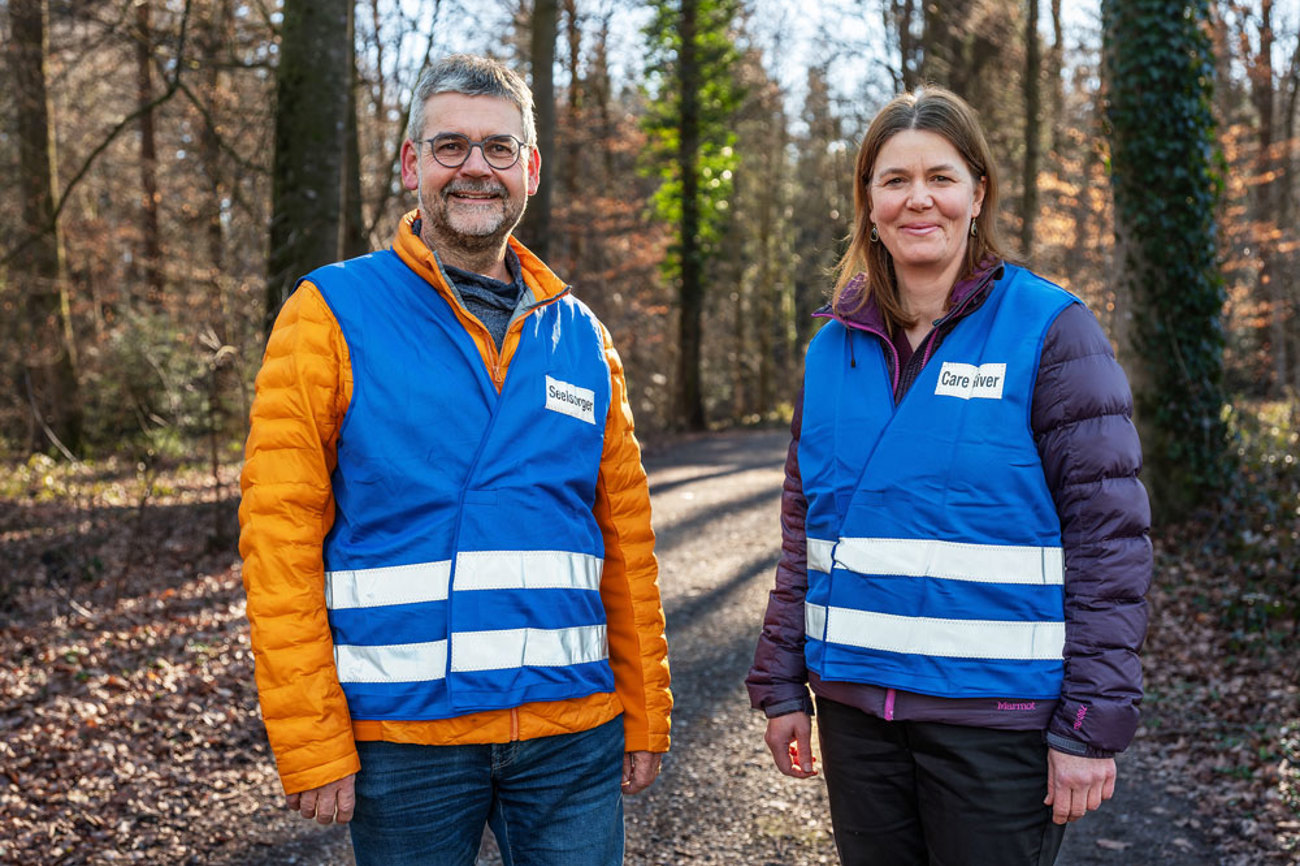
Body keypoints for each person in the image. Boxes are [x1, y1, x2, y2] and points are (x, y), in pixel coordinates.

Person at [239, 53, 671, 866]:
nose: (476, 167)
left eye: (499, 149)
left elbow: (627, 542)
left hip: (571, 737)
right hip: (404, 742)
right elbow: (278, 539)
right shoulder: (329, 314)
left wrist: (645, 708)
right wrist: (310, 738)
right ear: (412, 166)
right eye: (450, 147)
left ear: (530, 170)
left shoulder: (580, 337)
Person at [745, 85, 1151, 866]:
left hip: (997, 725)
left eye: (940, 176)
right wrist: (782, 685)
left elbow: (1111, 547)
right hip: (857, 719)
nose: (917, 199)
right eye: (894, 180)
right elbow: (806, 535)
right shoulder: (832, 348)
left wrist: (1091, 722)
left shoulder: (1051, 332)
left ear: (977, 193)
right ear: (867, 203)